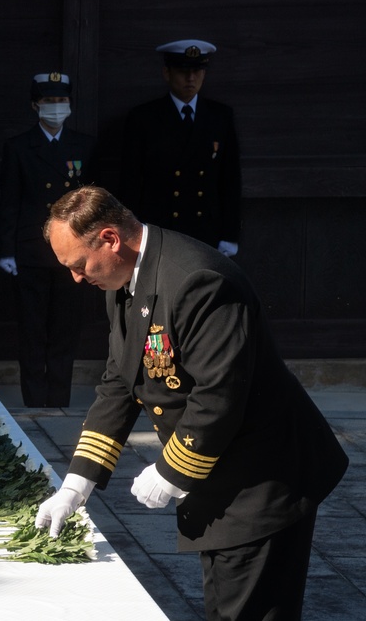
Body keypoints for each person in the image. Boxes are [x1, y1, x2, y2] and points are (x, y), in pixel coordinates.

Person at [34, 185, 348, 620]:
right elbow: (119, 383)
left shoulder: (198, 279)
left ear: (109, 239)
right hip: (221, 476)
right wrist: (76, 484)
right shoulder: (125, 278)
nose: (76, 278)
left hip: (263, 478)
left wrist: (171, 471)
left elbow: (220, 393)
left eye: (78, 264)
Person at [0, 72, 95, 406]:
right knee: (33, 329)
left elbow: (92, 203)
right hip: (31, 251)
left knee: (65, 329)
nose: (57, 107)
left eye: (62, 101)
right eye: (50, 101)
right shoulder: (19, 147)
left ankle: (59, 399)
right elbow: (10, 202)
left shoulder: (83, 145)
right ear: (35, 105)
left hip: (72, 251)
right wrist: (6, 250)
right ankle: (34, 400)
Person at [119, 39, 242, 256]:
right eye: (183, 71)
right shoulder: (144, 118)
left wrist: (230, 235)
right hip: (161, 228)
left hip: (206, 229)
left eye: (197, 70)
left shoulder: (220, 116)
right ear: (167, 73)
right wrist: (133, 232)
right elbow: (130, 181)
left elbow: (230, 180)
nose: (191, 78)